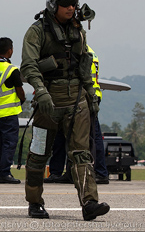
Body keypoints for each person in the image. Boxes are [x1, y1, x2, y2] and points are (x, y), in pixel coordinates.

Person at [20, 0, 110, 221]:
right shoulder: (36, 31)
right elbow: (28, 66)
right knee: (39, 154)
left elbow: (84, 65)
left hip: (77, 98)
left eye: (74, 4)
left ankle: (89, 203)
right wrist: (41, 91)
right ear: (53, 5)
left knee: (81, 153)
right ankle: (35, 202)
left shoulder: (78, 30)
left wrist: (91, 95)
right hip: (48, 101)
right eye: (65, 4)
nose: (71, 8)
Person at [45, 45, 109, 185]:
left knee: (91, 136)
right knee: (64, 135)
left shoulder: (80, 51)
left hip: (85, 96)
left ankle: (100, 172)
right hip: (75, 96)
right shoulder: (87, 50)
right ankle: (64, 172)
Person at [0, 37, 26, 184]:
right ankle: (5, 173)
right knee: (9, 143)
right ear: (10, 50)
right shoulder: (11, 70)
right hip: (7, 113)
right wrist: (22, 100)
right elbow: (20, 91)